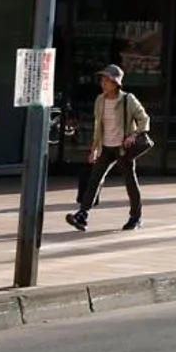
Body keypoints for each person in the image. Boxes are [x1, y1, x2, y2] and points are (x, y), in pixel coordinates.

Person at [65, 65, 151, 232]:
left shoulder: (128, 99)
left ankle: (136, 217)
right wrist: (94, 149)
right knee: (94, 179)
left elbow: (144, 119)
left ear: (115, 82)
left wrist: (133, 134)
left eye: (107, 79)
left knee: (130, 183)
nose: (103, 82)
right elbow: (99, 126)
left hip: (123, 148)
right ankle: (82, 214)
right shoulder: (100, 100)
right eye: (102, 79)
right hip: (106, 146)